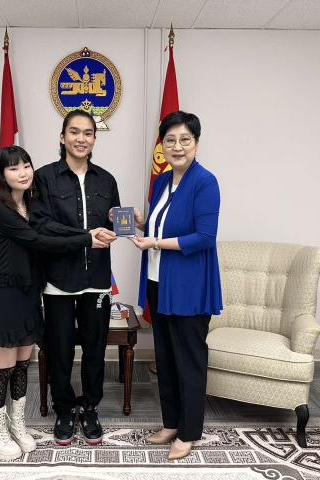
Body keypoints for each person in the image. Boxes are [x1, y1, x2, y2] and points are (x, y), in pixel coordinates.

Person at [0, 145, 108, 460]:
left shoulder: (28, 204)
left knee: (23, 365)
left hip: (30, 292)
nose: (23, 173)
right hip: (8, 293)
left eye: (26, 165)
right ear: (1, 175)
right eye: (13, 168)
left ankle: (17, 425)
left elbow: (46, 232)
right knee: (4, 368)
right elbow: (37, 241)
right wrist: (85, 238)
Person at [127, 110, 222, 460]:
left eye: (184, 139)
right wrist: (143, 223)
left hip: (188, 285)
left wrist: (153, 242)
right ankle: (171, 423)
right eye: (170, 140)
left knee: (189, 361)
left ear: (196, 143)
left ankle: (189, 431)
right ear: (162, 145)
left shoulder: (205, 182)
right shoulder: (162, 181)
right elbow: (163, 227)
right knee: (165, 358)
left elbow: (204, 237)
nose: (177, 146)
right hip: (159, 282)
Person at [30, 109, 120, 445]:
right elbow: (41, 225)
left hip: (97, 277)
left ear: (94, 139)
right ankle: (65, 409)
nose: (81, 138)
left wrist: (119, 224)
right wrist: (85, 236)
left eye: (88, 133)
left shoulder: (107, 180)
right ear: (62, 137)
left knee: (95, 348)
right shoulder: (44, 178)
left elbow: (113, 225)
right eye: (74, 132)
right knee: (60, 350)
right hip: (58, 279)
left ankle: (91, 407)